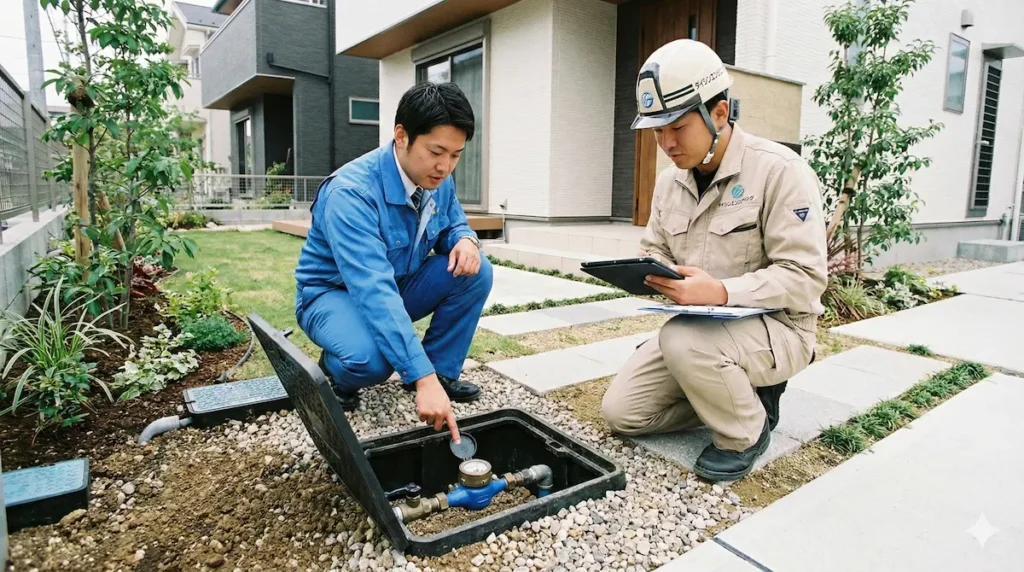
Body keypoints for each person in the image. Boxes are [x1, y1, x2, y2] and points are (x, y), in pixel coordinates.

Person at [601, 39, 828, 481]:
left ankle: (746, 431)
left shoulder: (780, 171)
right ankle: (736, 393)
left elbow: (805, 277)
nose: (666, 143)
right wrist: (652, 269)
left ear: (719, 113)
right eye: (657, 130)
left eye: (677, 127)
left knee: (682, 340)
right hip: (701, 331)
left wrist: (721, 291)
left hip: (779, 328)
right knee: (623, 413)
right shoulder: (669, 182)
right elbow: (656, 247)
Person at [294, 82, 493, 443]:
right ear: (402, 136)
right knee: (372, 361)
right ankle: (336, 372)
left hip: (399, 283)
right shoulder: (351, 193)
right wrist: (421, 377)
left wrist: (465, 239)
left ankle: (440, 372)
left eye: (456, 155)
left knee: (475, 271)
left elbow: (452, 223)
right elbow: (373, 291)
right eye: (436, 151)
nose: (445, 166)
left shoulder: (436, 178)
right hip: (331, 294)